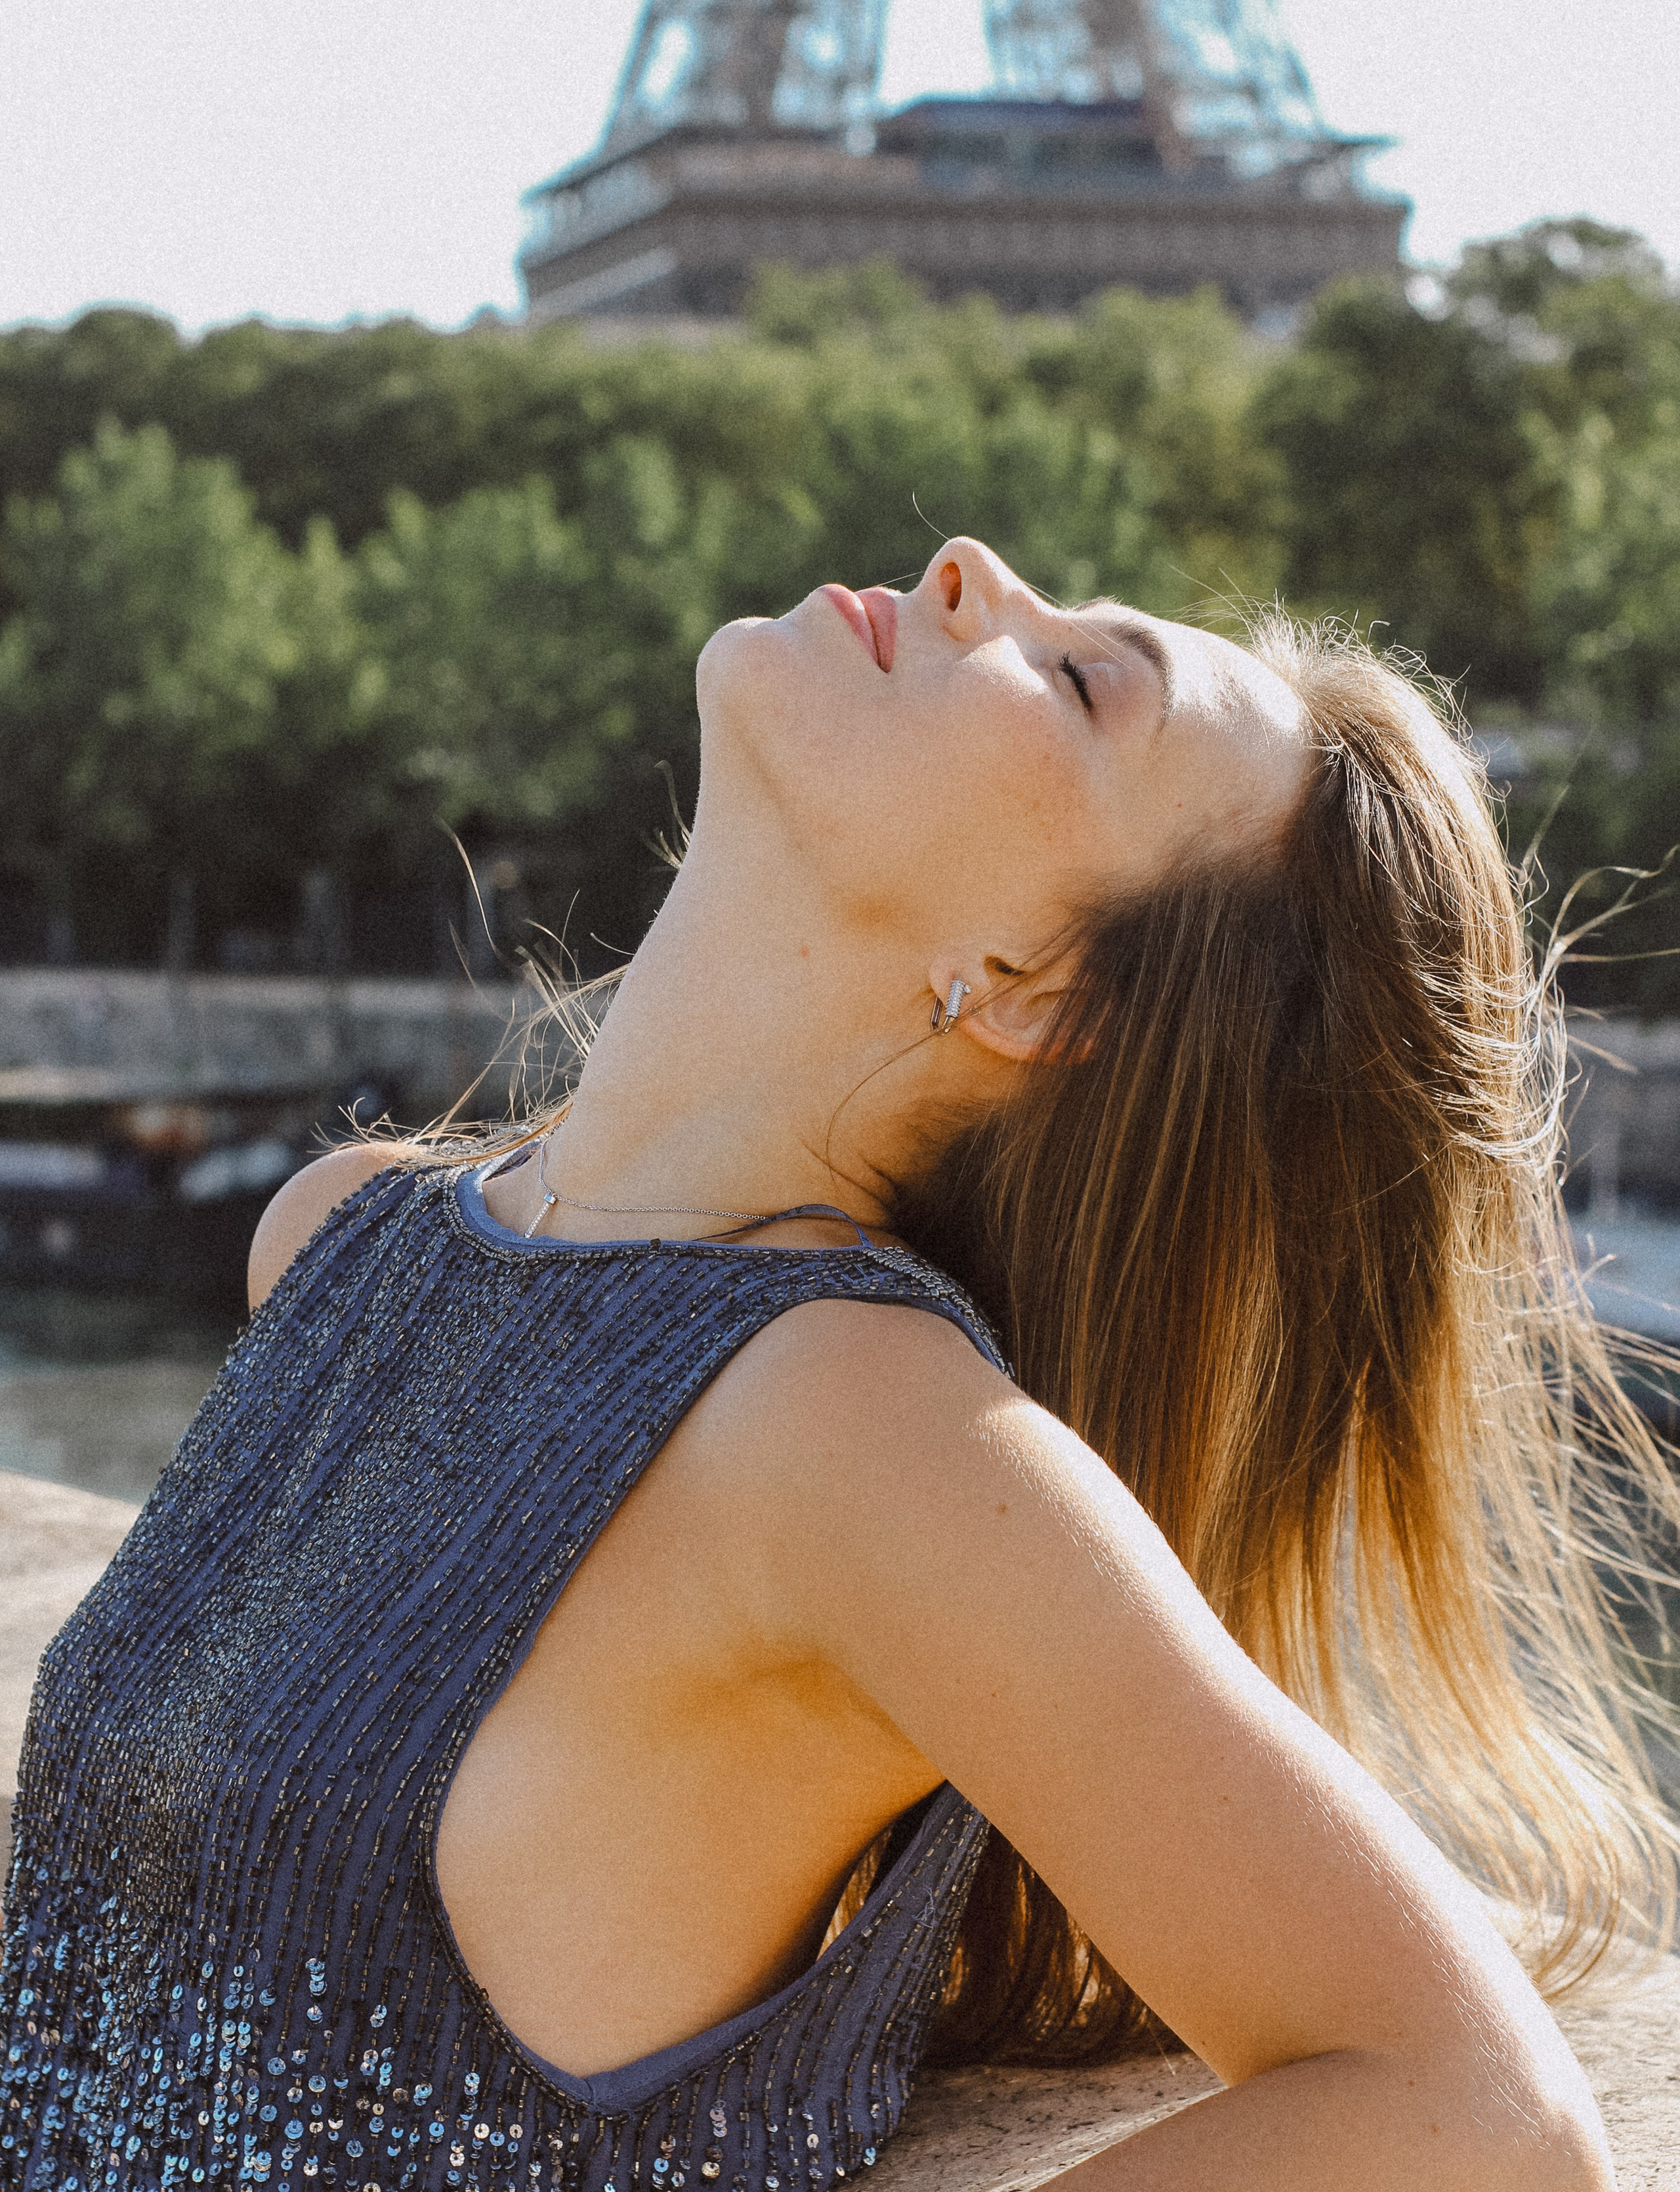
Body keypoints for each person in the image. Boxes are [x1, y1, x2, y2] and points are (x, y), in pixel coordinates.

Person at [4, 539, 1670, 2192]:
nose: (969, 568)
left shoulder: (854, 1425)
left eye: (1086, 680)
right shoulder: (339, 1240)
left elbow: (1478, 2125)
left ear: (1033, 989)